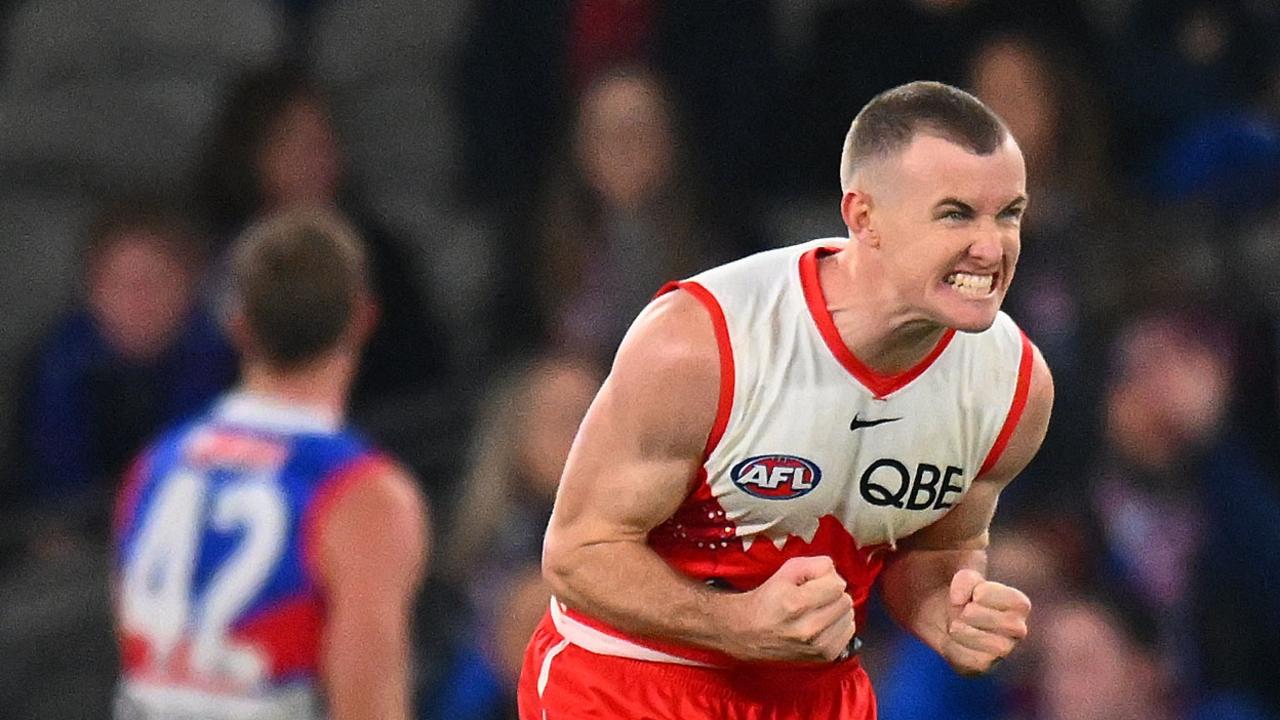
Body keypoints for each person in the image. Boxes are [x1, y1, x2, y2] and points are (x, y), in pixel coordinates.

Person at [518, 81, 1054, 718]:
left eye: (1009, 214)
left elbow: (936, 551)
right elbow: (579, 554)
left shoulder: (1014, 386)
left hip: (817, 695)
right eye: (956, 214)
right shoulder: (701, 343)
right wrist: (738, 623)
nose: (993, 248)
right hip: (629, 681)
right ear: (864, 218)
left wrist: (944, 612)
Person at [111, 208, 430, 719]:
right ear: (364, 317)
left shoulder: (155, 465)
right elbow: (368, 704)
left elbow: (139, 650)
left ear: (238, 326)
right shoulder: (361, 494)